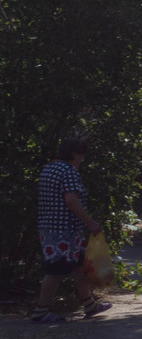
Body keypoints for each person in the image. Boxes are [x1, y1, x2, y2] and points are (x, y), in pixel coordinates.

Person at [33, 133, 109, 324]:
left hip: (50, 227)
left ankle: (90, 304)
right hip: (63, 230)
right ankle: (41, 310)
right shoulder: (68, 171)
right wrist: (89, 221)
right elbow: (71, 199)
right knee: (56, 270)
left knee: (78, 266)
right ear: (74, 154)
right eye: (81, 155)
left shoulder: (49, 168)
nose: (82, 159)